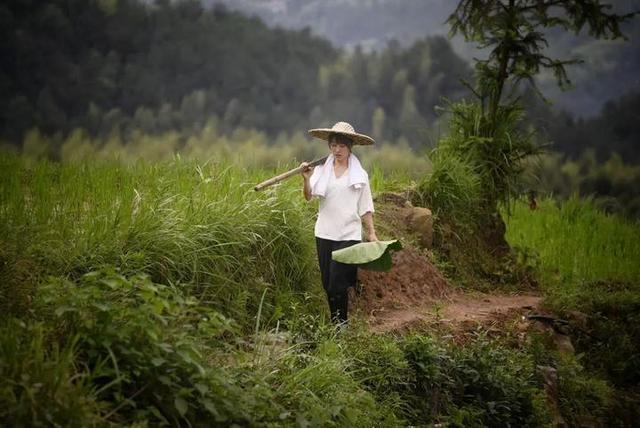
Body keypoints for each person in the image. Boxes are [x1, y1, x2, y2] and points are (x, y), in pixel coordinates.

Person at [300, 121, 378, 324]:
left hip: (348, 236)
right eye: (334, 145)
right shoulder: (321, 171)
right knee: (327, 284)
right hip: (324, 233)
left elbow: (365, 206)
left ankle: (341, 326)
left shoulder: (360, 175)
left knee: (337, 283)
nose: (337, 150)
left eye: (342, 146)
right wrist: (306, 179)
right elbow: (309, 196)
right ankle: (336, 324)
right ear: (329, 147)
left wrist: (371, 233)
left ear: (350, 148)